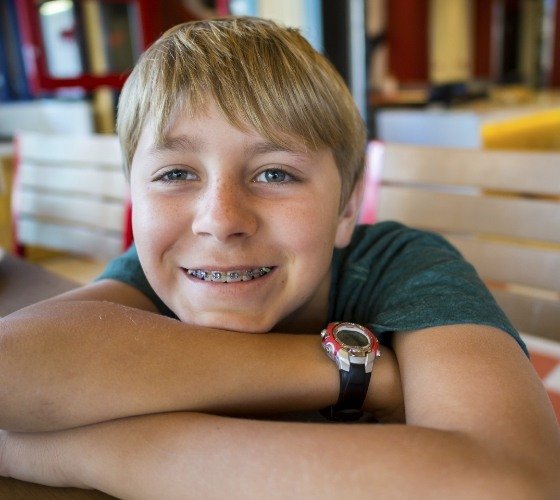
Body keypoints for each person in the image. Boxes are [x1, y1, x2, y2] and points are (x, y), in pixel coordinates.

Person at [1, 17, 559, 498]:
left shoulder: (402, 264)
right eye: (175, 174)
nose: (219, 220)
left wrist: (83, 455)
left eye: (274, 173)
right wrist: (355, 377)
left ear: (347, 209)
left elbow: (508, 481)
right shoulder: (165, 266)